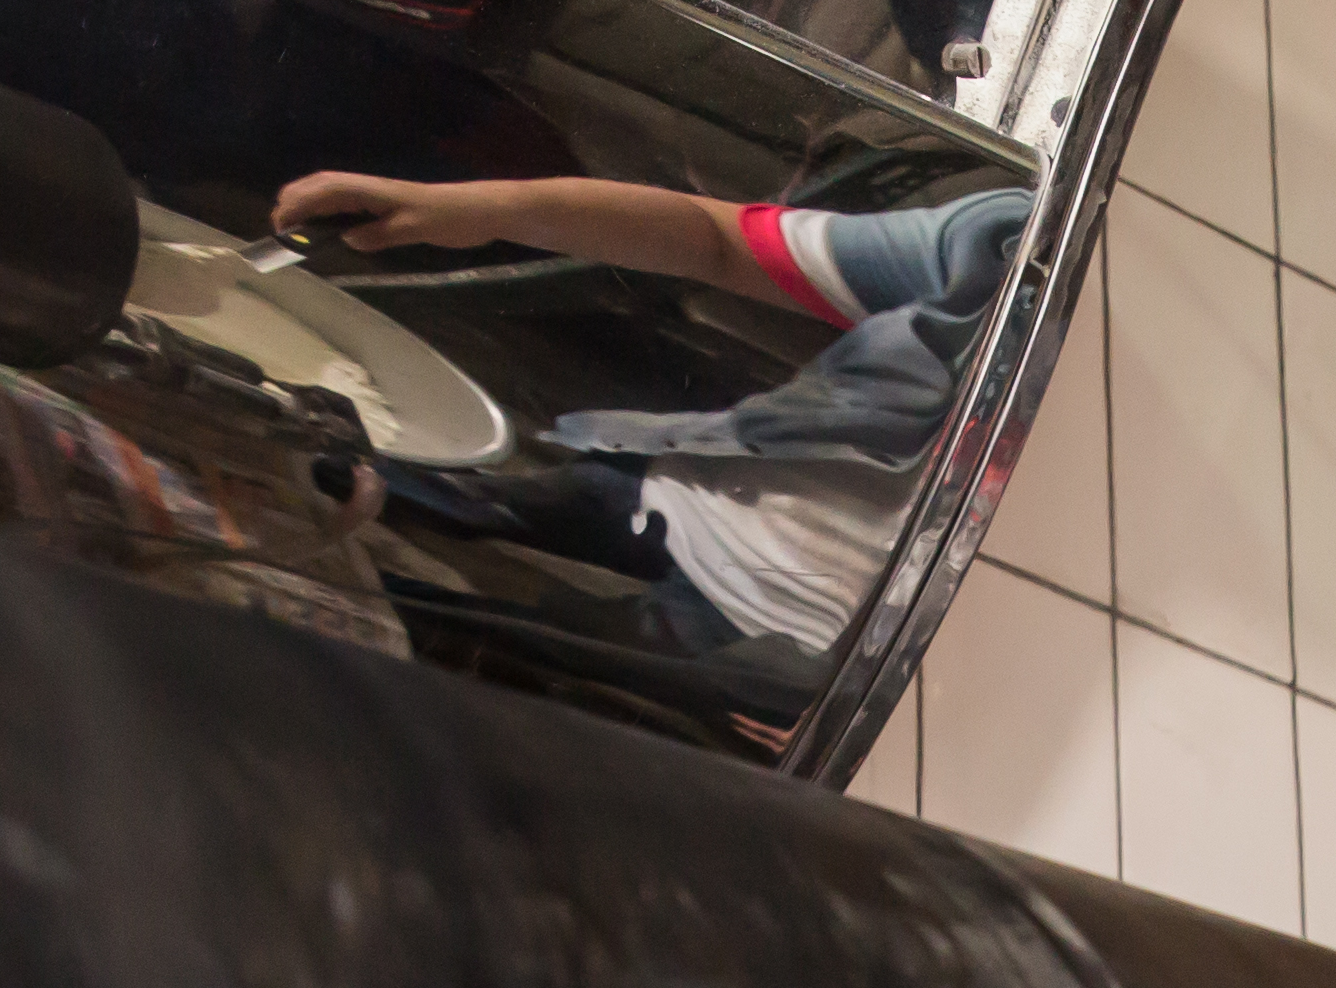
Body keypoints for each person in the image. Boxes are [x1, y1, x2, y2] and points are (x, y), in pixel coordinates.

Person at [270, 164, 1024, 653]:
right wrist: (475, 207)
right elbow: (717, 242)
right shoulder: (1011, 253)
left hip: (762, 654)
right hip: (690, 497)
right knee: (317, 481)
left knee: (408, 637)